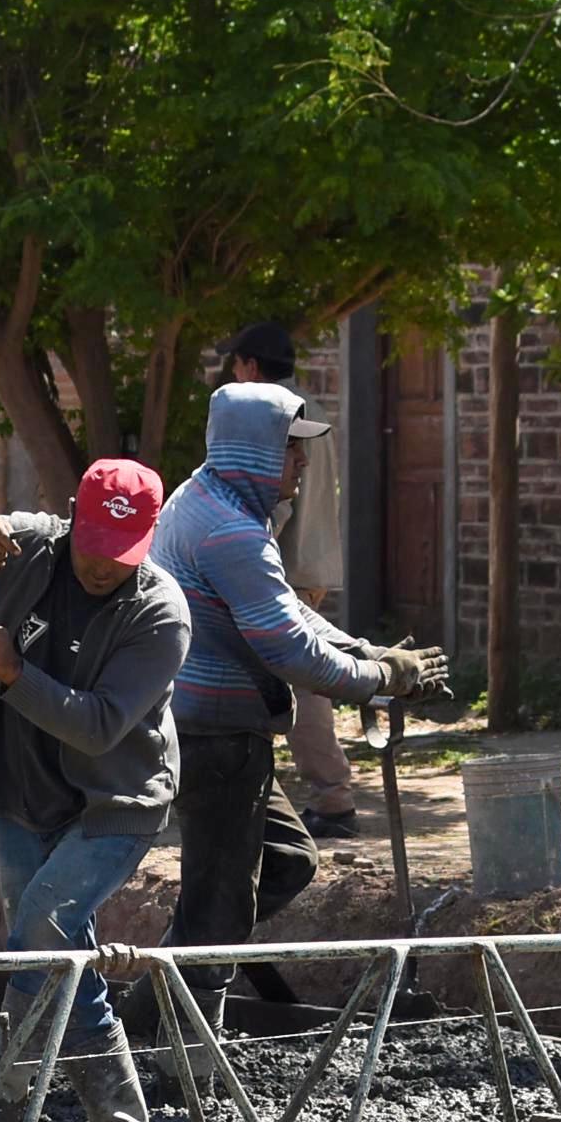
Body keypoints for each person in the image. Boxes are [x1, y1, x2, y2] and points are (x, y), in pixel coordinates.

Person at [0, 458, 190, 1122]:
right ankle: (121, 1118)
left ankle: (0, 1106)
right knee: (58, 947)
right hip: (23, 790)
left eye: (120, 554)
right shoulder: (25, 548)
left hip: (115, 801)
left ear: (148, 539)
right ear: (72, 520)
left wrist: (14, 673)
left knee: (41, 927)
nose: (102, 567)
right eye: (93, 547)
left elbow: (99, 725)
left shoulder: (160, 612)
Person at [156, 379, 442, 999]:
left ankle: (176, 964)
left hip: (214, 729)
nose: (303, 461)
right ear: (252, 450)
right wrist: (381, 680)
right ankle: (172, 1034)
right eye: (290, 447)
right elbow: (291, 651)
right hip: (216, 737)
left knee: (287, 859)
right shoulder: (230, 531)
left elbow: (285, 609)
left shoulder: (207, 499)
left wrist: (365, 651)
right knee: (218, 910)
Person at [219, 320, 366, 835]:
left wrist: (245, 552)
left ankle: (333, 798)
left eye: (236, 365)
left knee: (300, 684)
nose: (233, 376)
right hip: (308, 562)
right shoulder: (312, 409)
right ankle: (324, 796)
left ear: (251, 366)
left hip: (282, 565)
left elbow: (276, 500)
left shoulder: (275, 413)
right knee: (298, 679)